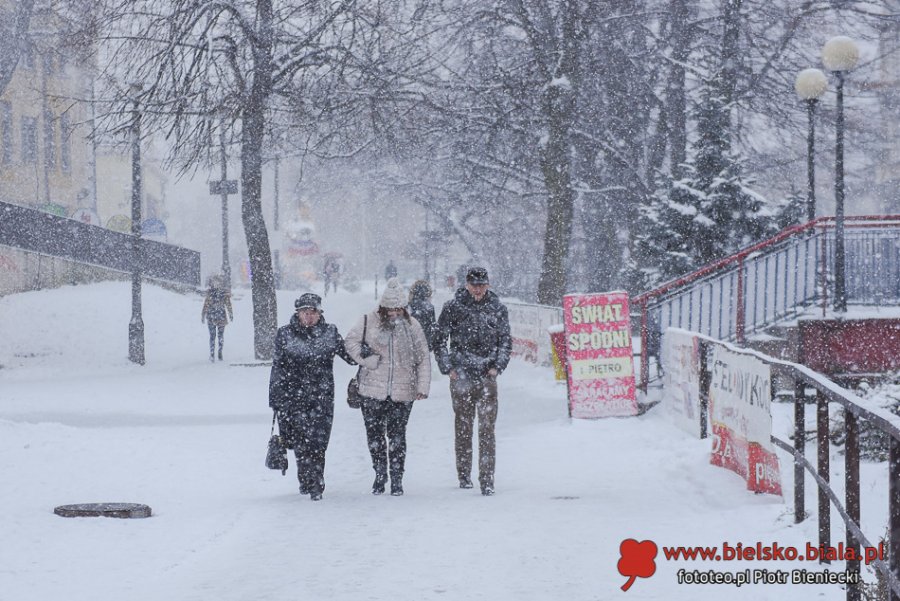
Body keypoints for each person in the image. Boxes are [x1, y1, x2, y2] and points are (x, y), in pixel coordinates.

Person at [344, 278, 431, 496]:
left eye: (398, 309)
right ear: (383, 308)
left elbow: (423, 358)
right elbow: (350, 343)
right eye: (390, 309)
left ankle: (397, 478)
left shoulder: (413, 326)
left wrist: (422, 386)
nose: (394, 314)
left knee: (397, 436)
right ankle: (380, 474)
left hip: (403, 391)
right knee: (374, 435)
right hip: (371, 390)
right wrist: (367, 359)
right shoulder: (367, 320)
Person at [268, 293, 356, 501]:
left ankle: (317, 479)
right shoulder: (285, 335)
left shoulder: (330, 333)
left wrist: (367, 351)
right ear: (297, 313)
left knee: (318, 441)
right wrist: (276, 398)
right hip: (292, 398)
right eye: (304, 312)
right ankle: (305, 478)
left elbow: (350, 357)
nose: (309, 316)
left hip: (321, 397)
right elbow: (277, 368)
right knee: (300, 442)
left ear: (319, 313)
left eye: (313, 312)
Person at [434, 267, 511, 496]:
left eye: (482, 285)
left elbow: (506, 340)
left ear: (487, 285)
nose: (478, 289)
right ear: (467, 284)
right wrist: (448, 368)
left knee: (488, 428)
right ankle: (464, 474)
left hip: (487, 374)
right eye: (474, 285)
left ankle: (487, 479)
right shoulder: (453, 307)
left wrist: (498, 366)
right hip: (462, 373)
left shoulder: (497, 308)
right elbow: (439, 340)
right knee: (464, 426)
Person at [201, 275, 233, 362]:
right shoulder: (224, 293)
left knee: (212, 336)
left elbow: (206, 305)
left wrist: (203, 315)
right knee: (220, 336)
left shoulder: (210, 293)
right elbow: (228, 305)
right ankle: (219, 352)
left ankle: (212, 354)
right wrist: (230, 314)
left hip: (212, 316)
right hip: (221, 316)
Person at [408, 279, 438, 351]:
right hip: (424, 345)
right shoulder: (429, 307)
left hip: (409, 345)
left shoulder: (408, 306)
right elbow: (432, 327)